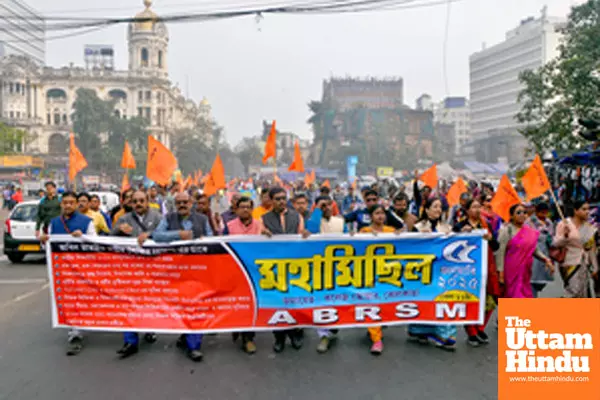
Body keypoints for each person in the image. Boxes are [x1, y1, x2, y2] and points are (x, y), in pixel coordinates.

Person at [146, 191, 210, 362]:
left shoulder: (203, 220)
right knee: (180, 306)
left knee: (195, 307)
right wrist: (178, 235)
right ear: (174, 204)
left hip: (197, 271)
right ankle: (185, 335)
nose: (182, 205)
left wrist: (204, 240)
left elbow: (212, 240)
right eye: (178, 202)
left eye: (185, 202)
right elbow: (158, 236)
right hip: (174, 271)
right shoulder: (168, 219)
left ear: (191, 203)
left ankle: (194, 346)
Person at [40, 191, 96, 356]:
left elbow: (95, 243)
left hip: (82, 268)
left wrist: (83, 237)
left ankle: (87, 323)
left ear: (77, 204)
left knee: (83, 298)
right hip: (63, 270)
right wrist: (44, 242)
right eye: (65, 202)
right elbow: (49, 246)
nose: (68, 205)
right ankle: (75, 332)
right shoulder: (54, 223)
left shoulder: (87, 222)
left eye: (72, 202)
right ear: (61, 204)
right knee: (70, 299)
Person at [112, 190, 163, 358]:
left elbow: (166, 235)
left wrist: (150, 234)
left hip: (152, 267)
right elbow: (110, 238)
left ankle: (149, 329)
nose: (138, 204)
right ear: (131, 203)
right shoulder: (124, 219)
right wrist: (119, 230)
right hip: (130, 269)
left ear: (147, 201)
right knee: (129, 303)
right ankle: (130, 341)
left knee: (149, 301)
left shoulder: (157, 217)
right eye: (135, 201)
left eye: (142, 200)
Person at [261, 187, 310, 353]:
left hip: (294, 267)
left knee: (294, 303)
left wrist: (305, 235)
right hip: (273, 268)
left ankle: (295, 333)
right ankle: (279, 337)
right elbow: (257, 240)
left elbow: (301, 235)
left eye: (284, 198)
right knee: (278, 304)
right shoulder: (264, 219)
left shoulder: (297, 216)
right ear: (271, 201)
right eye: (277, 199)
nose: (281, 201)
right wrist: (262, 235)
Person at [408, 197, 457, 351]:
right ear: (426, 209)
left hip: (442, 271)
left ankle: (445, 333)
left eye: (439, 207)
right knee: (424, 298)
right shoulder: (418, 227)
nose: (437, 210)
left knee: (443, 299)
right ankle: (419, 330)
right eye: (434, 206)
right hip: (424, 270)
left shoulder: (447, 228)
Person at [452, 199, 500, 347]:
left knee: (490, 299)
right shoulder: (460, 225)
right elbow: (451, 247)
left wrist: (490, 239)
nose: (478, 210)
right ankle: (471, 331)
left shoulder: (486, 225)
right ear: (467, 210)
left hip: (487, 266)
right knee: (470, 299)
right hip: (468, 269)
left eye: (479, 207)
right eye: (474, 207)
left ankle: (480, 327)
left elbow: (496, 246)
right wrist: (461, 234)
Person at [306, 195, 347, 353]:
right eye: (323, 206)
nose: (327, 208)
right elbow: (312, 230)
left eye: (329, 204)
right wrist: (318, 210)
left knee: (337, 299)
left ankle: (332, 327)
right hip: (319, 268)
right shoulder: (314, 221)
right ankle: (323, 335)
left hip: (339, 267)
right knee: (322, 301)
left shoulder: (340, 221)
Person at [223, 196, 264, 354]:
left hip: (253, 271)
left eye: (248, 207)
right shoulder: (229, 226)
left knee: (250, 303)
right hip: (235, 270)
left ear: (252, 209)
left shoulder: (260, 226)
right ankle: (237, 327)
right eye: (242, 207)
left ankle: (248, 338)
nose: (245, 210)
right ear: (237, 209)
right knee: (237, 303)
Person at [359, 204, 397, 355]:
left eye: (382, 213)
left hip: (388, 275)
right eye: (377, 213)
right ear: (371, 216)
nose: (380, 216)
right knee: (372, 303)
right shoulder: (364, 232)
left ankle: (376, 329)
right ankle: (377, 339)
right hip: (369, 274)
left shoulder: (391, 231)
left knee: (384, 303)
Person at [496, 204, 554, 299]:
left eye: (524, 212)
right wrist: (500, 273)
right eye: (518, 213)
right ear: (511, 216)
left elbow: (534, 249)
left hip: (525, 272)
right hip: (510, 272)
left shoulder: (529, 231)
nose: (522, 215)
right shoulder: (507, 231)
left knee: (525, 295)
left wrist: (546, 259)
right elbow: (500, 253)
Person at [553, 201, 598, 298]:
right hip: (569, 263)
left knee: (582, 292)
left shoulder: (590, 228)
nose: (587, 212)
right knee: (574, 291)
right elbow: (555, 244)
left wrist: (595, 268)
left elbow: (591, 249)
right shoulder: (564, 224)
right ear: (576, 211)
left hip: (584, 264)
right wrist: (565, 237)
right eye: (584, 209)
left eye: (588, 209)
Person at [526, 202, 555, 298]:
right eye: (542, 213)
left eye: (546, 213)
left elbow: (552, 237)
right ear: (537, 212)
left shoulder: (549, 222)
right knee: (532, 280)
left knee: (542, 280)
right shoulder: (529, 222)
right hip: (533, 254)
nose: (544, 215)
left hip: (545, 252)